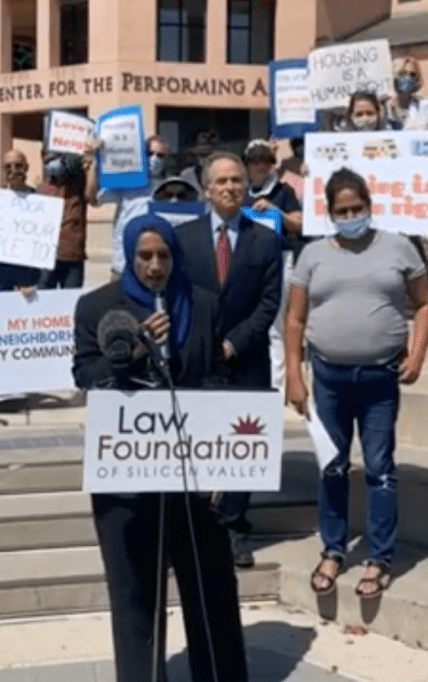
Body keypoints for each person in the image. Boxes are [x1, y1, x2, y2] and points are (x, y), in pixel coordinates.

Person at [72, 213, 248, 682]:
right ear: (129, 257)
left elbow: (215, 377)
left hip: (194, 479)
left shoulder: (203, 305)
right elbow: (86, 376)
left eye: (163, 256)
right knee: (136, 597)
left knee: (210, 588)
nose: (155, 266)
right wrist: (134, 351)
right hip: (129, 486)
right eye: (144, 257)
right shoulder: (96, 307)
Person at [284, 167, 428, 597]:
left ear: (370, 205)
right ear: (329, 213)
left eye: (358, 207)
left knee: (380, 469)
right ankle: (332, 550)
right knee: (331, 466)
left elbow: (424, 303)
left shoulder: (399, 246)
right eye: (342, 210)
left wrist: (419, 352)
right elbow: (294, 318)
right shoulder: (312, 255)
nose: (351, 215)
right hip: (328, 376)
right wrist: (294, 375)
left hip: (379, 378)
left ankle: (379, 557)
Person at [176, 152, 282, 568]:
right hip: (197, 360)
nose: (230, 188)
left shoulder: (265, 239)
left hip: (246, 358)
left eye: (237, 180)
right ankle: (194, 528)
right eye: (221, 181)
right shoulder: (183, 240)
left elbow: (269, 301)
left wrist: (235, 342)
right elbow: (178, 296)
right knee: (197, 445)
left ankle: (234, 526)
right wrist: (201, 343)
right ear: (206, 188)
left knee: (242, 447)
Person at [242, 139, 303, 391]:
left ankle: (276, 389)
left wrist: (278, 213)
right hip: (247, 264)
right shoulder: (241, 192)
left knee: (277, 327)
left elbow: (299, 222)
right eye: (254, 161)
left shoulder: (283, 191)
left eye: (264, 160)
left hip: (280, 259)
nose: (259, 166)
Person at [87, 134, 171, 279]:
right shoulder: (127, 181)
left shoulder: (171, 188)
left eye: (160, 155)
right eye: (150, 153)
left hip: (155, 268)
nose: (155, 159)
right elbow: (93, 199)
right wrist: (96, 161)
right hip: (123, 265)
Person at [0, 149, 40, 292]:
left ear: (26, 168)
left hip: (28, 268)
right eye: (8, 166)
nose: (13, 170)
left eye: (18, 166)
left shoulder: (40, 200)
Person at [37, 149, 95, 289]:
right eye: (48, 158)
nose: (52, 161)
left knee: (70, 305)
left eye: (56, 157)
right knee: (43, 306)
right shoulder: (42, 186)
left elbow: (92, 197)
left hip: (73, 255)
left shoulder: (79, 183)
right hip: (46, 256)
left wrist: (91, 165)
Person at [384, 57, 428, 131]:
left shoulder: (423, 106)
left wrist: (398, 111)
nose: (408, 77)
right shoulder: (382, 107)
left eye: (412, 74)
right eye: (402, 73)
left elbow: (419, 132)